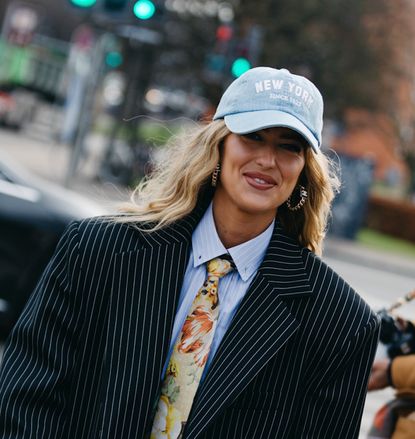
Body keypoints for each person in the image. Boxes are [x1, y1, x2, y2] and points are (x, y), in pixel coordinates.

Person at [0, 67, 380, 439]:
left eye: (288, 146)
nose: (268, 159)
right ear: (219, 144)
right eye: (252, 137)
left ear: (302, 169)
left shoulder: (342, 323)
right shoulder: (97, 250)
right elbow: (27, 395)